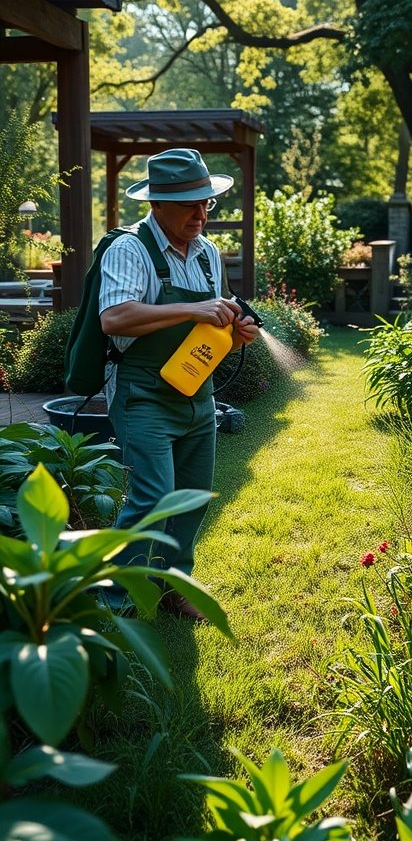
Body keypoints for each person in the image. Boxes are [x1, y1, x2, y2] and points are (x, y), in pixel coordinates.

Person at [98, 148, 259, 616]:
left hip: (197, 393)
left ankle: (173, 586)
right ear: (156, 205)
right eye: (190, 203)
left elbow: (209, 326)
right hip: (143, 395)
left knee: (191, 498)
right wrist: (193, 308)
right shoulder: (128, 249)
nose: (201, 212)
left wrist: (236, 331)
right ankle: (114, 602)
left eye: (206, 201)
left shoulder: (208, 253)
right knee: (152, 497)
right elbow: (115, 318)